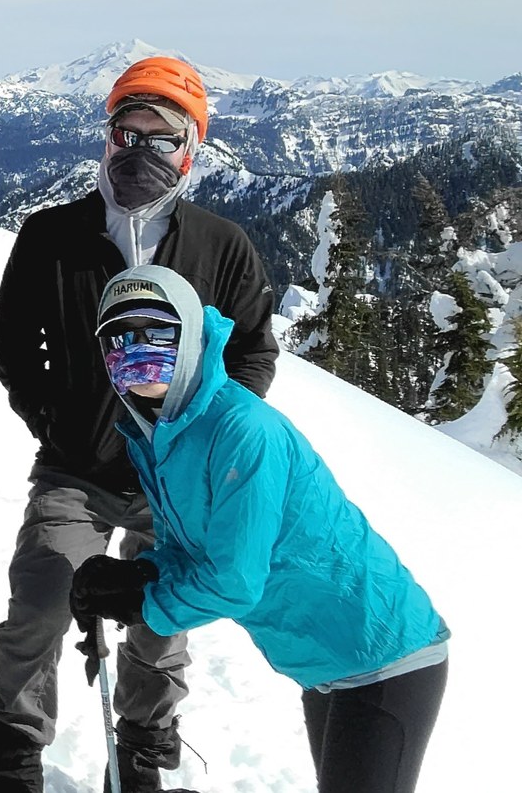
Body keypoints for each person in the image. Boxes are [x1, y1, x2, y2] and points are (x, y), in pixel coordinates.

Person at [0, 57, 280, 793]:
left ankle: (144, 743)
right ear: (107, 137)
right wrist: (50, 418)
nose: (140, 151)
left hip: (173, 481)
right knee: (41, 602)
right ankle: (15, 747)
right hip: (76, 468)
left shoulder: (221, 245)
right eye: (127, 133)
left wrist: (208, 438)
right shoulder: (52, 234)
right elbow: (13, 339)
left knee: (161, 616)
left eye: (162, 138)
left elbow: (253, 351)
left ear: (190, 151)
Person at [76, 265, 448, 793]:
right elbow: (188, 551)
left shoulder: (242, 429)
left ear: (191, 337)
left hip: (383, 651)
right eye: (120, 339)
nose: (136, 351)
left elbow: (234, 581)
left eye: (156, 333)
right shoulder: (160, 434)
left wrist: (142, 602)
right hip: (322, 659)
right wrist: (133, 576)